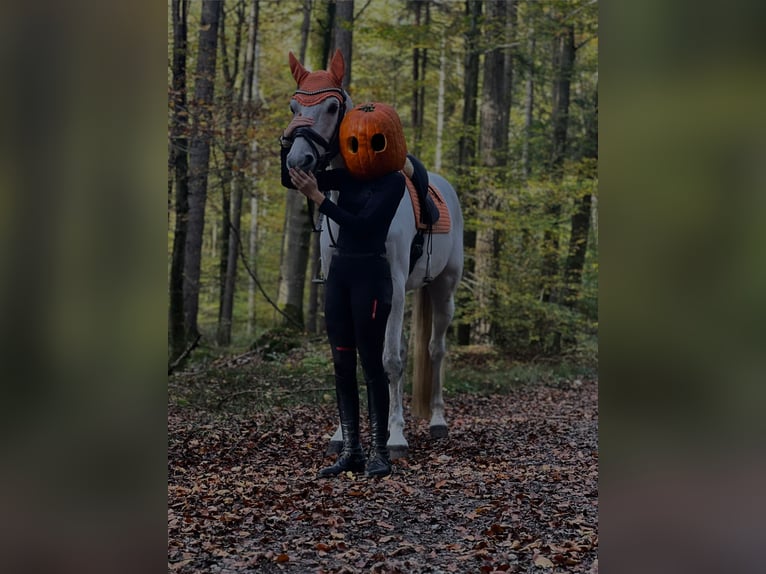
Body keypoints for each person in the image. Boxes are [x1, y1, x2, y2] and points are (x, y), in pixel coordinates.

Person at [280, 103, 407, 478]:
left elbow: (366, 226)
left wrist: (320, 199)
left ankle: (379, 452)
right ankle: (352, 449)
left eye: (373, 140)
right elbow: (292, 178)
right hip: (339, 279)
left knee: (372, 365)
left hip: (371, 276)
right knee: (341, 365)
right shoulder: (347, 178)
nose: (363, 147)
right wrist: (286, 139)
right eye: (355, 141)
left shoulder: (393, 182)